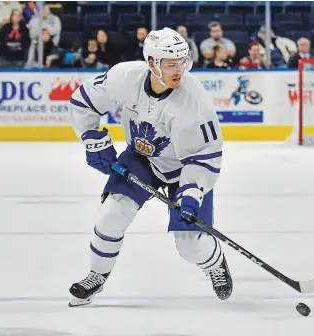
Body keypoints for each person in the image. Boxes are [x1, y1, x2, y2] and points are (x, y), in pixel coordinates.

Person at [67, 27, 232, 307]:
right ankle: (96, 274)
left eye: (183, 62)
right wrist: (93, 139)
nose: (179, 69)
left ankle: (215, 262)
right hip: (142, 158)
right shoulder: (124, 78)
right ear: (152, 63)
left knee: (190, 245)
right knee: (111, 215)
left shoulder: (194, 100)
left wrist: (191, 193)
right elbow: (84, 100)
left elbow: (206, 154)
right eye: (171, 64)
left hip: (185, 170)